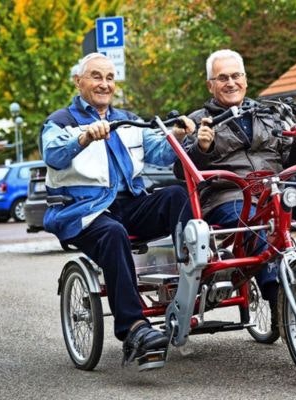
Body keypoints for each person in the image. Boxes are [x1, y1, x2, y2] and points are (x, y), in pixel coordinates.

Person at [40, 52, 196, 363]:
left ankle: (189, 279)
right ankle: (134, 327)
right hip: (85, 210)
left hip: (130, 204)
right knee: (113, 233)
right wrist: (84, 137)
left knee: (177, 196)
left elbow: (161, 152)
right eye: (96, 76)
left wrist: (178, 135)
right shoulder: (60, 122)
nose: (104, 84)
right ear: (78, 82)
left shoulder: (127, 120)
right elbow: (53, 154)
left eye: (110, 78)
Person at [176, 49, 296, 334]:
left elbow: (292, 161)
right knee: (258, 222)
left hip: (274, 187)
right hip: (229, 195)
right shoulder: (198, 121)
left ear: (245, 79)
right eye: (222, 78)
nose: (230, 82)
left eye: (236, 76)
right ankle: (277, 294)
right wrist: (201, 148)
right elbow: (179, 170)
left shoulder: (269, 113)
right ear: (210, 85)